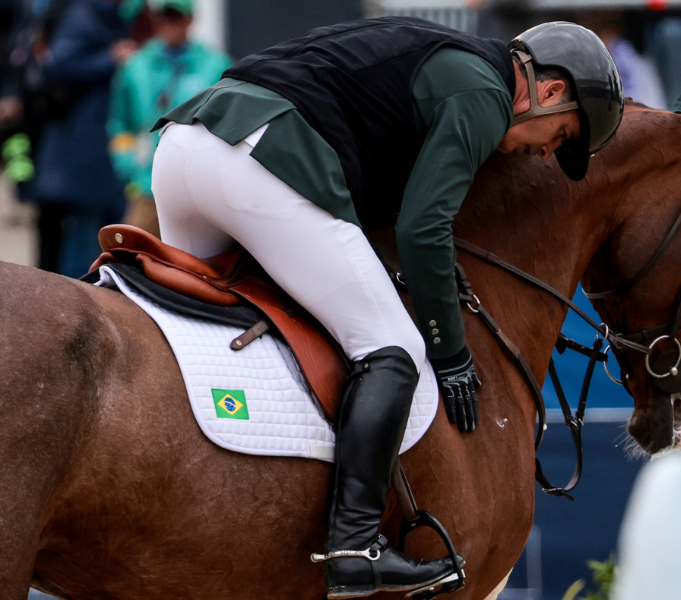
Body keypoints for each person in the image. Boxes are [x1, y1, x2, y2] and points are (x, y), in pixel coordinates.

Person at [150, 17, 623, 598]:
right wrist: (449, 353)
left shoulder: (449, 59)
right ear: (549, 91)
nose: (549, 152)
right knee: (391, 346)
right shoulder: (485, 94)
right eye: (564, 134)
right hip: (256, 158)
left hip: (183, 148)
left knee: (203, 340)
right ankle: (353, 545)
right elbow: (425, 228)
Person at [29, 0, 136, 277]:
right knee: (82, 241)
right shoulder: (84, 15)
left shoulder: (112, 16)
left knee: (100, 240)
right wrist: (110, 58)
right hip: (79, 155)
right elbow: (59, 62)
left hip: (96, 154)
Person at [108, 0, 230, 237]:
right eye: (164, 17)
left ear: (190, 20)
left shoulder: (216, 66)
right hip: (147, 187)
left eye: (177, 17)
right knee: (127, 253)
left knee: (197, 264)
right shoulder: (135, 67)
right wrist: (128, 166)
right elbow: (121, 124)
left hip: (199, 189)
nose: (170, 24)